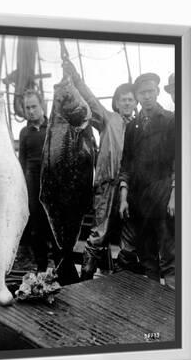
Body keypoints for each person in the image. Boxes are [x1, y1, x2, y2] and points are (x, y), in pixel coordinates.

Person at [63, 59, 138, 279]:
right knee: (100, 232)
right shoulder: (108, 119)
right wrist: (74, 76)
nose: (126, 103)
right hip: (107, 184)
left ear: (135, 103)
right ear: (116, 102)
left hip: (130, 187)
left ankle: (122, 276)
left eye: (130, 100)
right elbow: (90, 99)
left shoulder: (138, 126)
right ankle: (86, 275)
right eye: (123, 99)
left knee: (128, 233)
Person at [118, 73, 175, 289]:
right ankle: (153, 310)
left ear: (157, 92)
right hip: (140, 201)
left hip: (164, 199)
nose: (147, 96)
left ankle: (171, 310)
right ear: (137, 96)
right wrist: (124, 199)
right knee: (148, 257)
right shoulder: (133, 128)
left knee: (170, 257)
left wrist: (174, 196)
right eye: (143, 93)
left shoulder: (170, 120)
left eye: (151, 91)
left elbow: (176, 162)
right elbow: (126, 165)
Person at [18, 89, 58, 273]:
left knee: (55, 227)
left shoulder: (53, 128)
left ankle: (60, 265)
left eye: (34, 106)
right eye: (28, 108)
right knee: (36, 227)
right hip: (32, 183)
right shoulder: (24, 133)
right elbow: (22, 162)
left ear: (42, 105)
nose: (31, 111)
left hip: (52, 181)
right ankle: (41, 267)